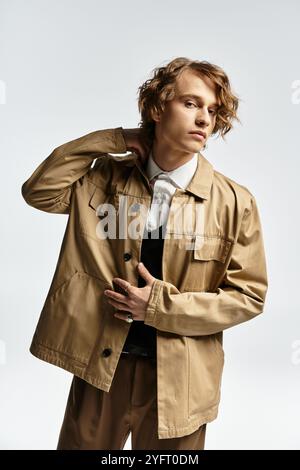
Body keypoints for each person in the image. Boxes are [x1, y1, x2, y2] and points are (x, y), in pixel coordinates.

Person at [21, 57, 268, 450]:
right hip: (101, 367)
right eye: (191, 103)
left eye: (212, 110)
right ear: (156, 109)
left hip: (182, 384)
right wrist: (110, 139)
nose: (204, 118)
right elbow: (40, 191)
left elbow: (248, 298)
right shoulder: (101, 177)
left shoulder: (235, 203)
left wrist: (158, 307)